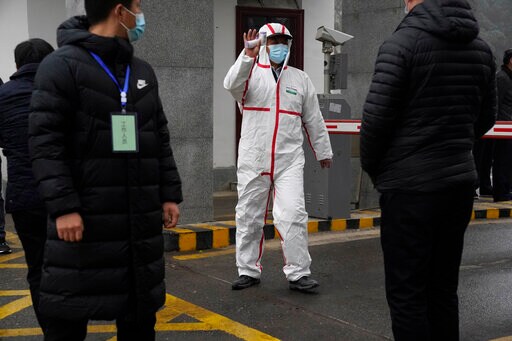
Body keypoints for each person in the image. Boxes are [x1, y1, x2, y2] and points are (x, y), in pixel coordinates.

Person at [29, 0, 183, 339]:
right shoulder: (59, 67)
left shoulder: (140, 71)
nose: (140, 15)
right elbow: (45, 144)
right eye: (137, 6)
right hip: (85, 217)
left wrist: (169, 194)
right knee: (70, 311)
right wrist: (64, 207)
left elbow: (158, 135)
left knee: (139, 313)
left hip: (138, 218)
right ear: (119, 11)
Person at [360, 0, 496, 340]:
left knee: (407, 293)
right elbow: (487, 116)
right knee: (442, 288)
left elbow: (376, 120)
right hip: (458, 183)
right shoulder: (480, 48)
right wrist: (456, 144)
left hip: (409, 188)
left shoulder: (401, 44)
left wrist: (378, 169)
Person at [224, 23, 333, 292]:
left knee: (294, 214)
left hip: (289, 160)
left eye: (284, 41)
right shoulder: (249, 74)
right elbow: (231, 85)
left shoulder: (300, 79)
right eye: (273, 41)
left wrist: (323, 151)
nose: (279, 46)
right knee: (249, 216)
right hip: (254, 158)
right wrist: (246, 57)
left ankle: (298, 273)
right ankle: (248, 270)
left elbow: (313, 119)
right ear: (263, 43)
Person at [0, 38, 54, 330]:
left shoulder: (3, 94)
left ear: (18, 64)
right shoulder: (66, 91)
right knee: (71, 265)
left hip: (23, 197)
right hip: (64, 197)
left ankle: (50, 328)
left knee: (37, 267)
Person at [492, 49, 512, 202]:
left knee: (508, 160)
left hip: (508, 127)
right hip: (502, 127)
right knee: (502, 159)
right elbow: (496, 102)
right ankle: (500, 191)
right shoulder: (503, 78)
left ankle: (506, 189)